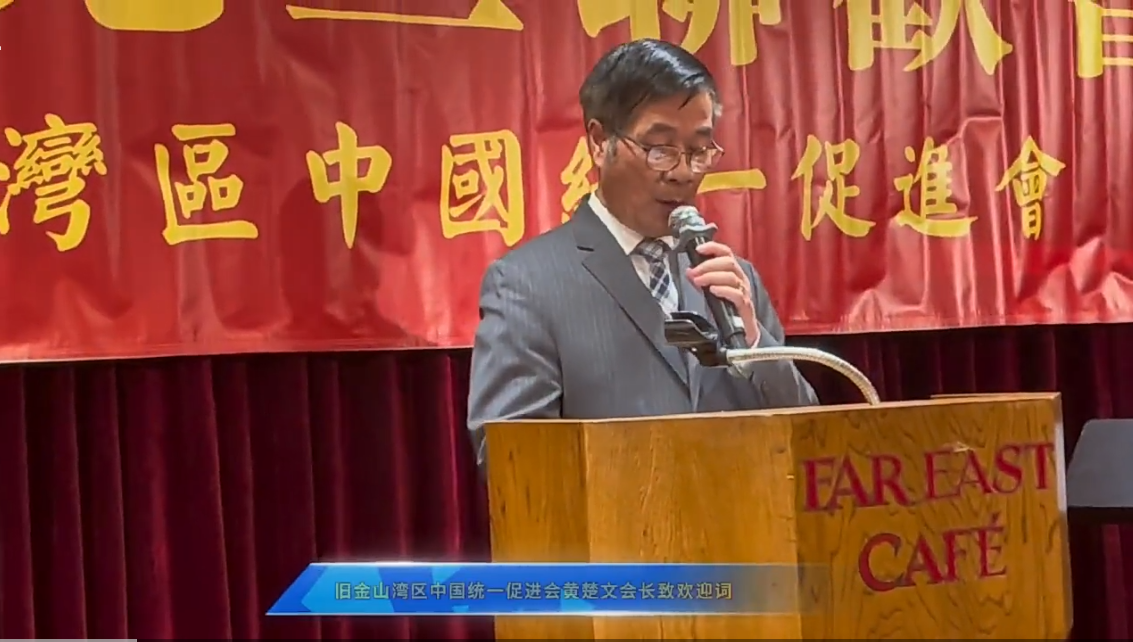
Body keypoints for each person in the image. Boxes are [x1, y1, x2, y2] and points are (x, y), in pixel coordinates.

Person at [467, 38, 818, 470]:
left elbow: (808, 435)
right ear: (600, 142)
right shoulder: (527, 284)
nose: (683, 172)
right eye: (660, 149)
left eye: (699, 150)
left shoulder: (731, 281)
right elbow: (511, 461)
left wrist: (755, 344)